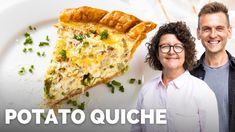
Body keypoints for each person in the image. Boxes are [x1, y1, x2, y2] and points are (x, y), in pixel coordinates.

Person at [131, 21, 219, 132]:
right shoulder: (146, 91)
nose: (171, 52)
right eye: (165, 47)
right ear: (157, 54)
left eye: (178, 46)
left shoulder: (202, 91)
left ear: (186, 52)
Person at [190, 2, 235, 132]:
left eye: (219, 28)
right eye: (206, 29)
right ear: (199, 33)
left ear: (229, 31)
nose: (213, 35)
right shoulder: (187, 75)